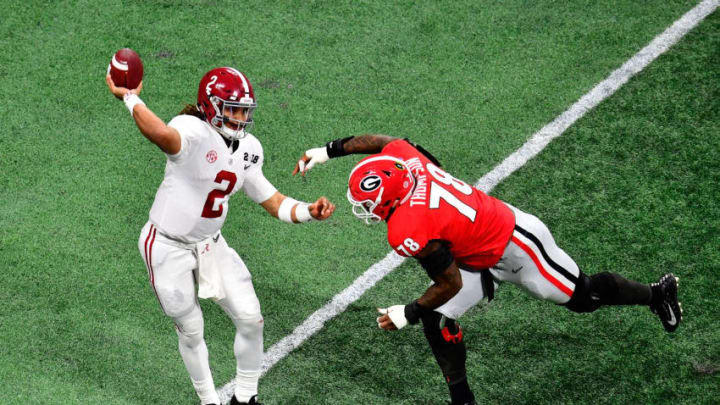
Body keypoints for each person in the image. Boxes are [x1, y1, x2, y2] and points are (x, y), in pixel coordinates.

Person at [294, 135, 682, 405]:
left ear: (392, 198)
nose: (366, 210)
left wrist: (406, 313)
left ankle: (656, 293)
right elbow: (382, 143)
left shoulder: (406, 228)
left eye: (371, 203)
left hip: (518, 247)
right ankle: (463, 400)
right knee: (437, 320)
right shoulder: (410, 162)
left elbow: (449, 282)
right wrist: (328, 151)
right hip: (475, 249)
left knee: (585, 297)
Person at [106, 67, 335, 405]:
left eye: (244, 110)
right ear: (210, 105)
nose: (241, 117)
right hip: (167, 245)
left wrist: (307, 211)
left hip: (211, 244)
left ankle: (245, 398)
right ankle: (208, 400)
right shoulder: (192, 130)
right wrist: (130, 97)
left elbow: (271, 200)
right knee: (192, 329)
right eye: (233, 108)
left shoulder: (249, 147)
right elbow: (162, 136)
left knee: (251, 317)